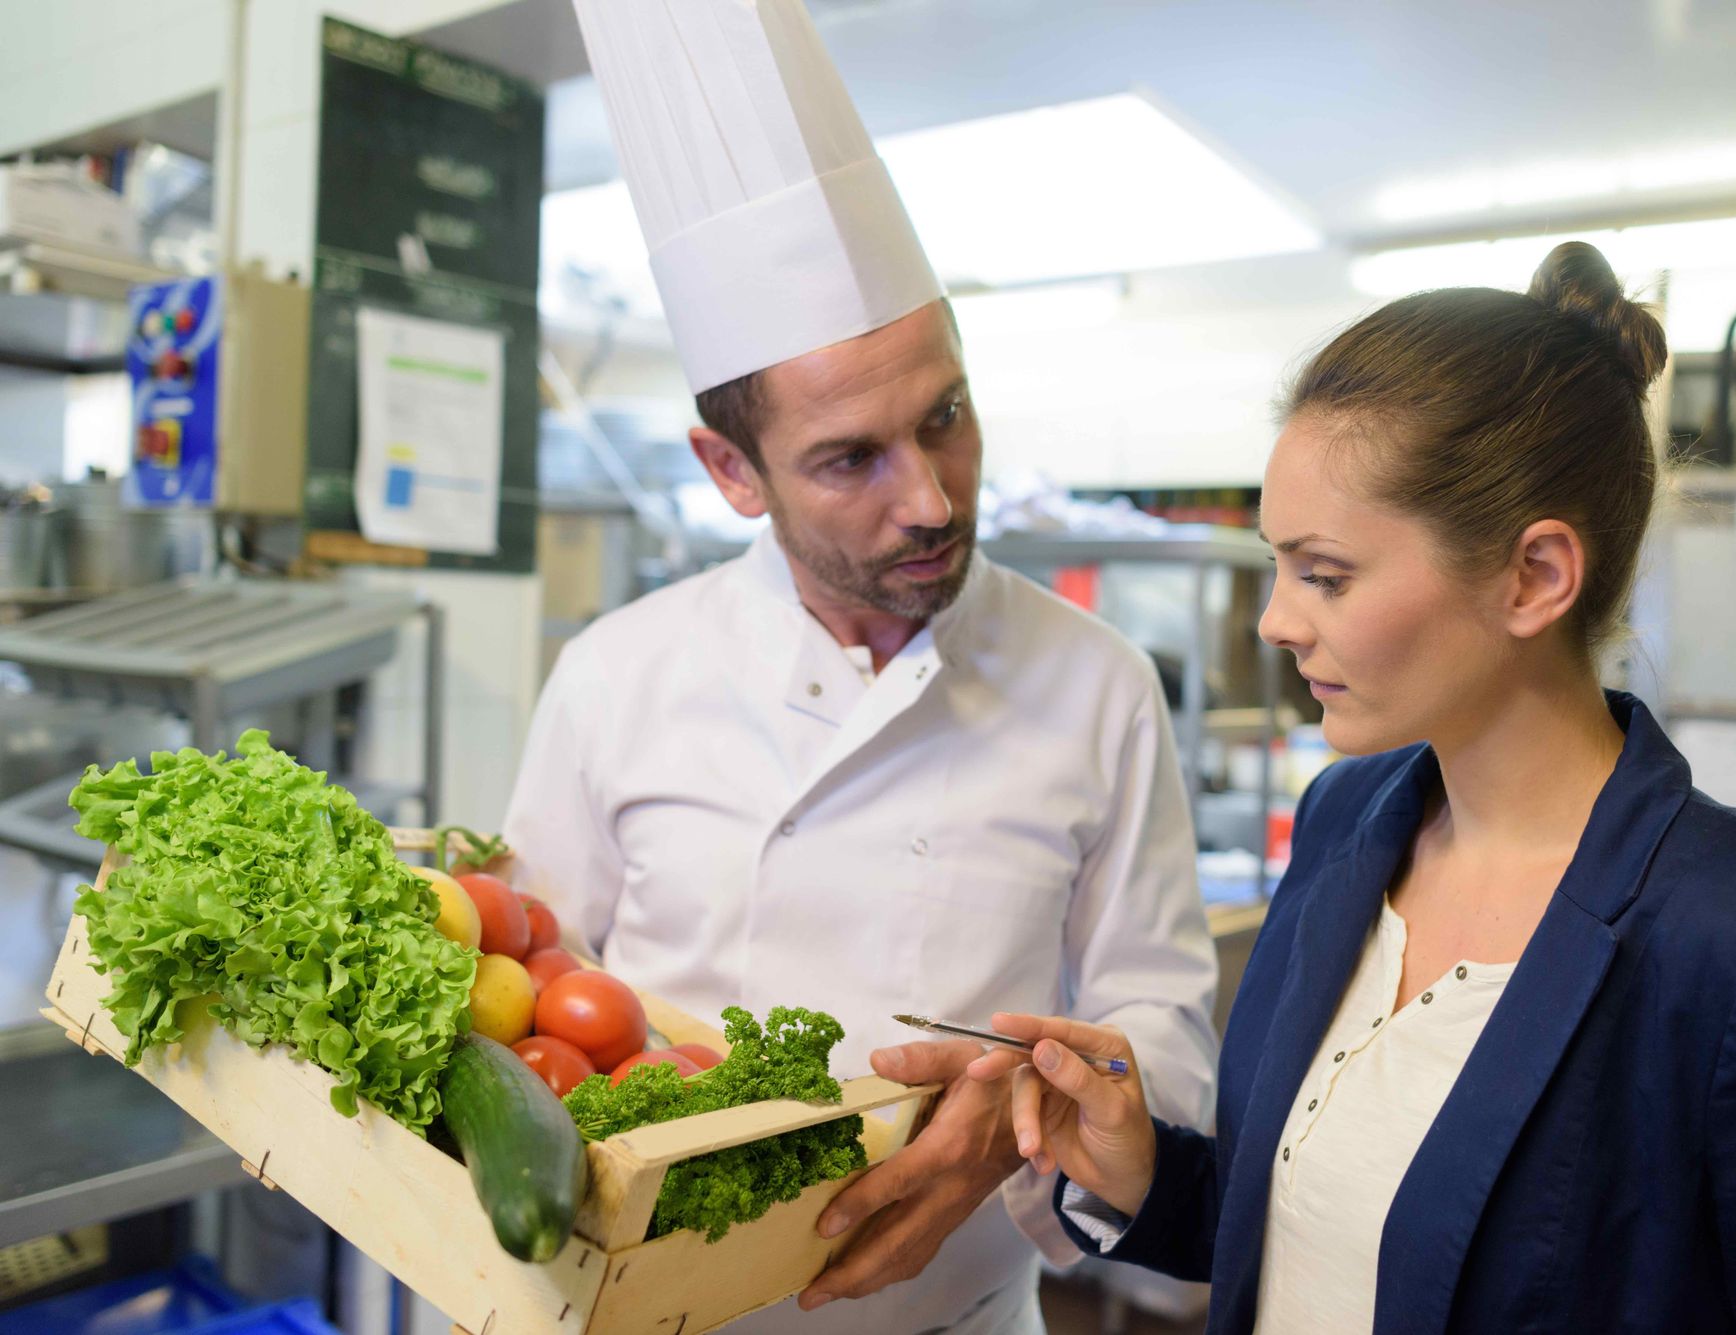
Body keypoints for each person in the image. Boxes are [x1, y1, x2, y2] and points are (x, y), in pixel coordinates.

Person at [933, 241, 1736, 1332]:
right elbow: (1311, 1235)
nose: (1274, 620)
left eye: (1324, 575)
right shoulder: (1346, 827)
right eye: (1275, 565)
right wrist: (1141, 1170)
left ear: (1533, 577)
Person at [505, 3, 1219, 1332]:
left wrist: (1015, 1125)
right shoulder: (618, 677)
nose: (934, 497)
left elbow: (1161, 1030)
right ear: (732, 471)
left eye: (944, 416)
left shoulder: (1098, 683)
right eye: (852, 458)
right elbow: (535, 997)